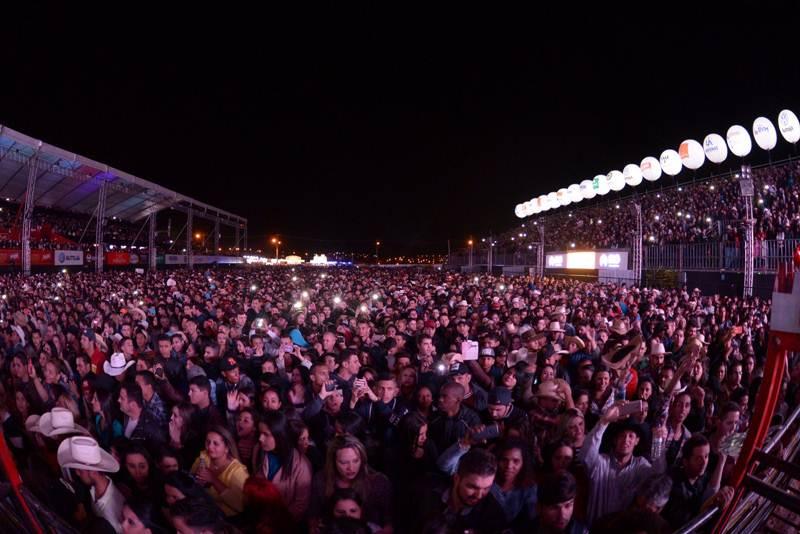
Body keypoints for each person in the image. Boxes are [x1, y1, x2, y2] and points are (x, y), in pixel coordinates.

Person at [580, 404, 667, 524]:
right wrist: (604, 422)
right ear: (615, 440)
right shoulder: (601, 462)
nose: (626, 440)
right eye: (622, 435)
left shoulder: (640, 466)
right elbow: (585, 455)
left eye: (631, 436)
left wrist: (659, 442)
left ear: (637, 441)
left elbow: (658, 476)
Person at [308, 435, 393, 533]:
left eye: (356, 461)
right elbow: (313, 514)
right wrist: (313, 526)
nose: (351, 468)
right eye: (344, 462)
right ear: (333, 461)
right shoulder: (321, 480)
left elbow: (390, 519)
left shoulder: (378, 482)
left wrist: (386, 530)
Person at [418, 447, 507, 533]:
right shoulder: (425, 492)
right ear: (456, 478)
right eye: (473, 487)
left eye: (486, 488)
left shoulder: (493, 515)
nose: (479, 495)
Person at [257, 410, 313, 521]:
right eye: (260, 433)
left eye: (266, 435)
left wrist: (276, 522)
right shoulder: (261, 452)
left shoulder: (301, 466)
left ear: (280, 435)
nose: (260, 439)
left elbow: (300, 505)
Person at [190, 426, 249, 517]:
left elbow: (240, 506)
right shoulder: (204, 457)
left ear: (226, 448)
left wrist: (214, 480)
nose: (209, 447)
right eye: (208, 442)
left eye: (215, 444)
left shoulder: (238, 472)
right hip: (205, 511)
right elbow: (190, 480)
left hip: (228, 519)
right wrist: (196, 481)